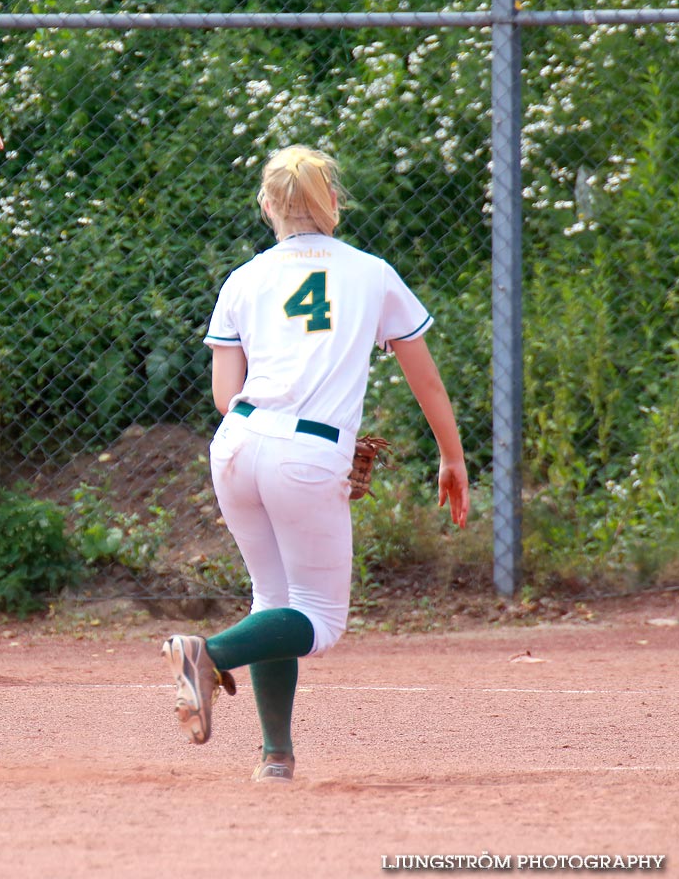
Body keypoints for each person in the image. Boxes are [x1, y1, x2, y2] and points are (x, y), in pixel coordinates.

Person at [163, 145, 469, 782]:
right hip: (307, 451)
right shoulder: (371, 272)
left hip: (238, 445)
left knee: (276, 600)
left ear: (267, 204)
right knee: (321, 622)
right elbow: (426, 382)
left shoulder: (244, 278)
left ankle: (276, 755)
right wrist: (451, 454)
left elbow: (225, 397)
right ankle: (207, 653)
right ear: (334, 203)